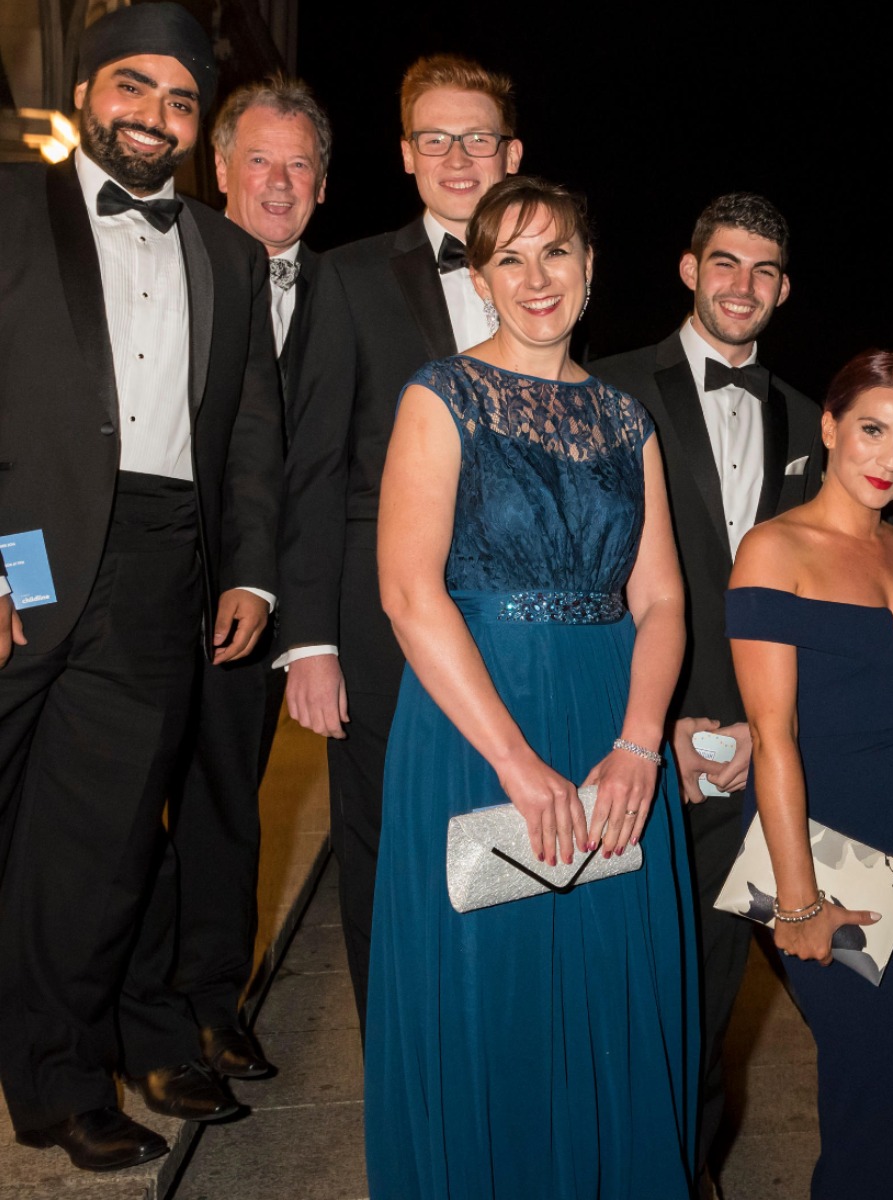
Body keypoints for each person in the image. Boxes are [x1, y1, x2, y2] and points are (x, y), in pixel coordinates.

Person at [363, 176, 697, 1197]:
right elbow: (409, 594)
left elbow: (665, 604)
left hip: (613, 728)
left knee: (610, 988)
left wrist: (641, 743)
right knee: (494, 991)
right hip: (477, 723)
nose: (536, 277)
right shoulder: (440, 395)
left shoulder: (626, 420)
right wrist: (514, 761)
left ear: (592, 271)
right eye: (509, 256)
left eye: (557, 252)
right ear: (481, 278)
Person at [0, 3, 282, 1170]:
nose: (155, 118)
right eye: (133, 88)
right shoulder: (10, 207)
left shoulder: (229, 253)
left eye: (179, 100)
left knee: (97, 845)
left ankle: (59, 1079)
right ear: (84, 97)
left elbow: (255, 428)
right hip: (22, 546)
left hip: (162, 560)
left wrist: (255, 573)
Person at [281, 54, 521, 1026]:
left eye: (476, 138)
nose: (458, 157)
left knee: (503, 824)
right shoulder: (343, 279)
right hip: (379, 619)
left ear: (512, 152)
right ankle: (402, 1063)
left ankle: (489, 1038)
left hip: (515, 614)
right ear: (406, 155)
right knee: (384, 841)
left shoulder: (550, 275)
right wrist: (311, 642)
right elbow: (311, 467)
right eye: (436, 138)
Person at [587, 192, 821, 1186]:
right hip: (627, 743)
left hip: (749, 754)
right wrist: (645, 726)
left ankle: (689, 1170)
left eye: (764, 271)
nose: (743, 286)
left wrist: (775, 736)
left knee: (711, 993)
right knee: (611, 990)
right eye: (725, 264)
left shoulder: (813, 423)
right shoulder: (604, 390)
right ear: (689, 270)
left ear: (784, 290)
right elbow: (580, 578)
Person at [726, 349, 893, 1197]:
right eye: (872, 430)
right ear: (831, 427)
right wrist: (796, 901)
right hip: (828, 853)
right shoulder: (773, 549)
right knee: (872, 1086)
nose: (889, 459)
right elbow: (773, 737)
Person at [123, 72, 334, 1086]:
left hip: (263, 606)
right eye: (260, 158)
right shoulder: (162, 265)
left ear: (325, 185)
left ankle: (211, 1006)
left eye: (300, 164)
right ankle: (147, 1007)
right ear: (219, 167)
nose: (279, 182)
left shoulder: (348, 298)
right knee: (125, 810)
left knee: (227, 811)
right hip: (141, 596)